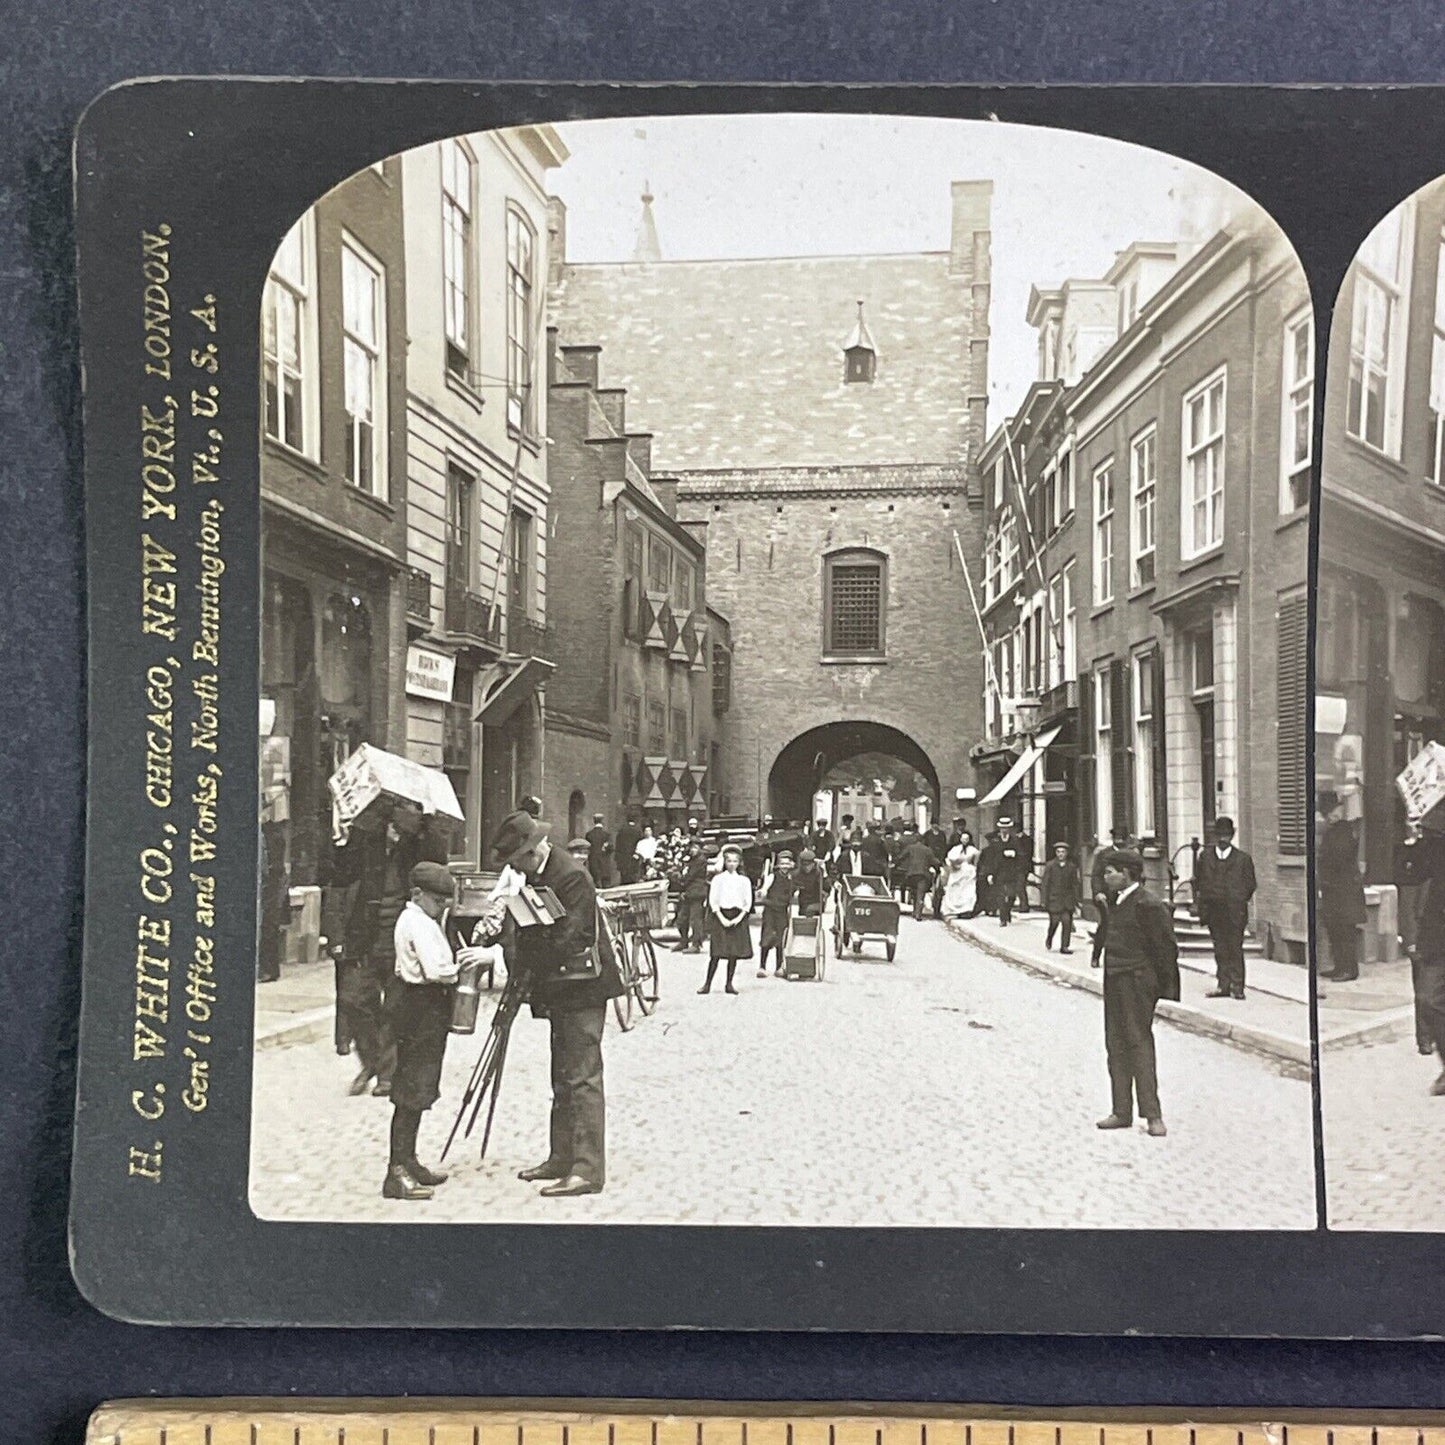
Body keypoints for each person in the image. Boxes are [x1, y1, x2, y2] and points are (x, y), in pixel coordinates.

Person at [493, 807, 623, 1198]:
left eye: (518, 862)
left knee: (582, 1077)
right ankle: (561, 1156)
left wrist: (531, 965)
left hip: (584, 987)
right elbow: (527, 931)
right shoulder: (537, 875)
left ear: (532, 852)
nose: (517, 871)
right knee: (562, 1075)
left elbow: (571, 937)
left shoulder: (571, 877)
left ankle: (587, 1169)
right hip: (562, 987)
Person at [382, 861, 474, 1201]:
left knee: (421, 1087)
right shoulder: (415, 922)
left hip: (427, 1008)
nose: (441, 908)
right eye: (437, 901)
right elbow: (436, 970)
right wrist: (463, 965)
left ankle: (409, 1160)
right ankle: (396, 1171)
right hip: (418, 1006)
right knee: (410, 1089)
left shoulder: (426, 919)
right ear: (418, 894)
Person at [1095, 850, 1180, 1138]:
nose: (1105, 877)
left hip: (1137, 982)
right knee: (1115, 1045)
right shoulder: (1115, 901)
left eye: (1110, 872)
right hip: (1115, 980)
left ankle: (1153, 1115)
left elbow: (1165, 949)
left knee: (1139, 1045)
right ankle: (1121, 1110)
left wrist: (1158, 989)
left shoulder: (1148, 904)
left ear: (1127, 873)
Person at [1397, 817, 1445, 1094]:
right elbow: (1408, 875)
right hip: (1437, 939)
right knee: (1429, 999)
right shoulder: (1435, 845)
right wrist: (1415, 838)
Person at [1194, 815, 1258, 1000]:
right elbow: (1199, 881)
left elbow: (1250, 884)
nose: (1223, 839)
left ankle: (1237, 986)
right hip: (1214, 911)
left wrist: (1237, 899)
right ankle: (1223, 984)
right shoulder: (1205, 857)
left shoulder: (1243, 859)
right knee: (1220, 948)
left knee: (1235, 948)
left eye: (1227, 835)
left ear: (1232, 836)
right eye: (1220, 835)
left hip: (1234, 912)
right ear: (1215, 836)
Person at [1317, 794, 1365, 982]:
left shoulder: (1343, 830)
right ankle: (1339, 966)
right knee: (1335, 930)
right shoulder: (1334, 830)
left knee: (1345, 931)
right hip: (1334, 891)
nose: (1330, 816)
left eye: (1332, 812)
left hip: (1344, 892)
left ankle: (1349, 969)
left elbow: (1339, 859)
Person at [703, 844, 754, 994]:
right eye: (729, 861)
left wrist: (738, 918)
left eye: (735, 861)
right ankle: (707, 984)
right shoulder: (718, 880)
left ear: (739, 863)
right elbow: (713, 900)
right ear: (725, 862)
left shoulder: (744, 881)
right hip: (721, 916)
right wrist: (721, 918)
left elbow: (747, 902)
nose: (732, 864)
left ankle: (729, 983)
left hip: (737, 916)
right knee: (716, 953)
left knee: (734, 953)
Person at [1089, 824, 1135, 969]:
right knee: (1106, 924)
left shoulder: (1130, 855)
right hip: (1107, 896)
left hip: (1126, 895)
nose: (1120, 841)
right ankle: (1096, 956)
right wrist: (1098, 892)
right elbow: (1096, 875)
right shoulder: (1104, 854)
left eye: (1122, 839)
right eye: (1117, 838)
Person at [979, 816, 1028, 926]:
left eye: (1006, 828)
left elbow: (1022, 855)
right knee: (1000, 895)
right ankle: (1003, 919)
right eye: (1002, 828)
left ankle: (1007, 911)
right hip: (999, 871)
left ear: (1009, 829)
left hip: (1012, 871)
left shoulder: (1015, 840)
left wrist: (1014, 854)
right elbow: (990, 858)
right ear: (1000, 829)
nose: (1004, 830)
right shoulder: (995, 842)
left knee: (1011, 896)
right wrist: (990, 873)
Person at [758, 850, 796, 977]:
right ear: (779, 864)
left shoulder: (792, 878)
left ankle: (779, 967)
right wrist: (763, 891)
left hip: (782, 911)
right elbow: (764, 888)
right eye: (782, 863)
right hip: (770, 910)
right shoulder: (772, 876)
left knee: (781, 938)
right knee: (767, 937)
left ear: (791, 864)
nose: (785, 866)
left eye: (787, 863)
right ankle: (762, 967)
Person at [1040, 841, 1083, 953]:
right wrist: (1044, 900)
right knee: (1054, 922)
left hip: (1067, 901)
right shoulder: (1050, 865)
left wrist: (1077, 900)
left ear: (1067, 853)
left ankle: (1064, 946)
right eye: (1058, 852)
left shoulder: (1071, 867)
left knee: (1066, 922)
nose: (1060, 854)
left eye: (1063, 852)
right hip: (1054, 899)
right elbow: (1045, 883)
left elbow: (1075, 884)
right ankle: (1050, 937)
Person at [675, 840, 710, 952]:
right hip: (689, 891)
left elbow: (690, 876)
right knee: (682, 918)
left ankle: (696, 944)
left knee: (696, 920)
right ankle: (683, 941)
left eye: (695, 847)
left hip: (697, 891)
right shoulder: (691, 859)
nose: (693, 850)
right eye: (691, 848)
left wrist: (681, 882)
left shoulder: (700, 860)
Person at [897, 828, 939, 919]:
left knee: (914, 891)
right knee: (921, 893)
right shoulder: (927, 850)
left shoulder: (910, 848)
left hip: (911, 874)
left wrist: (896, 865)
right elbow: (934, 861)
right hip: (923, 875)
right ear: (923, 840)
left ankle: (914, 910)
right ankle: (918, 914)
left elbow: (901, 857)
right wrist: (938, 868)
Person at [938, 835, 979, 919]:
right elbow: (949, 859)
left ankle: (966, 910)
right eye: (963, 839)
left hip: (968, 872)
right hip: (957, 871)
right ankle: (954, 909)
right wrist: (954, 865)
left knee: (968, 891)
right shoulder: (955, 849)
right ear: (960, 839)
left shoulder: (973, 850)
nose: (965, 841)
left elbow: (976, 860)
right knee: (955, 890)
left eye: (966, 839)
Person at [793, 848, 826, 917]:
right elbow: (792, 888)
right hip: (803, 904)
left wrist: (824, 874)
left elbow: (826, 888)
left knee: (809, 910)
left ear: (814, 864)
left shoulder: (819, 872)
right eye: (804, 865)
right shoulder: (797, 874)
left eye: (809, 865)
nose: (807, 867)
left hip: (817, 903)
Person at [615, 814, 642, 885]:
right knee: (633, 876)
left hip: (623, 857)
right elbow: (640, 844)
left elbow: (618, 844)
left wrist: (617, 857)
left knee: (624, 877)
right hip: (633, 856)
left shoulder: (621, 831)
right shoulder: (638, 831)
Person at [584, 813, 611, 887]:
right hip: (604, 858)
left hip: (593, 858)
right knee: (605, 879)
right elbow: (610, 848)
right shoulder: (606, 834)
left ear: (594, 821)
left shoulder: (589, 834)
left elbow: (587, 848)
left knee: (595, 878)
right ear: (602, 821)